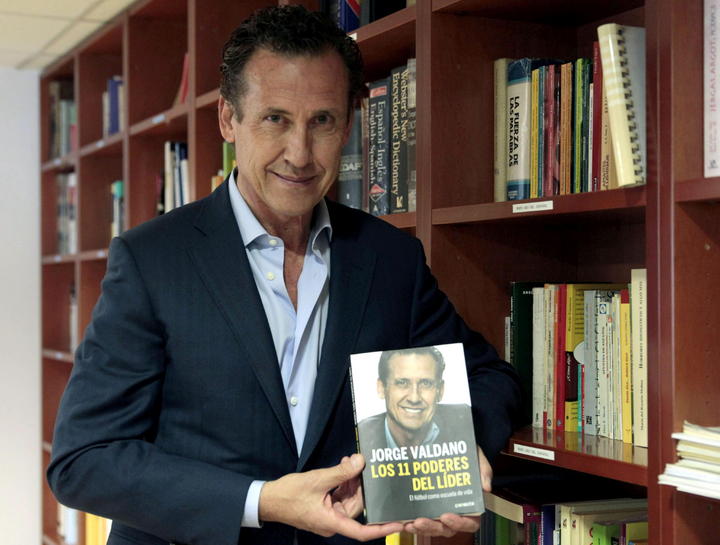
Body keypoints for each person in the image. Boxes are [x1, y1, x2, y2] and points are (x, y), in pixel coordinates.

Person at [47, 6, 522, 545]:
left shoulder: (391, 258)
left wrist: (459, 451)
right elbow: (85, 460)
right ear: (228, 119)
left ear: (348, 125)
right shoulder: (152, 259)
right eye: (275, 119)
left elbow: (491, 378)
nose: (299, 154)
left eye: (322, 121)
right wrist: (262, 501)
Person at [358, 347, 475, 449]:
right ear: (382, 388)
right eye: (402, 382)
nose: (414, 398)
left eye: (426, 383)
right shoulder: (360, 436)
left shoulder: (464, 423)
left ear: (440, 391)